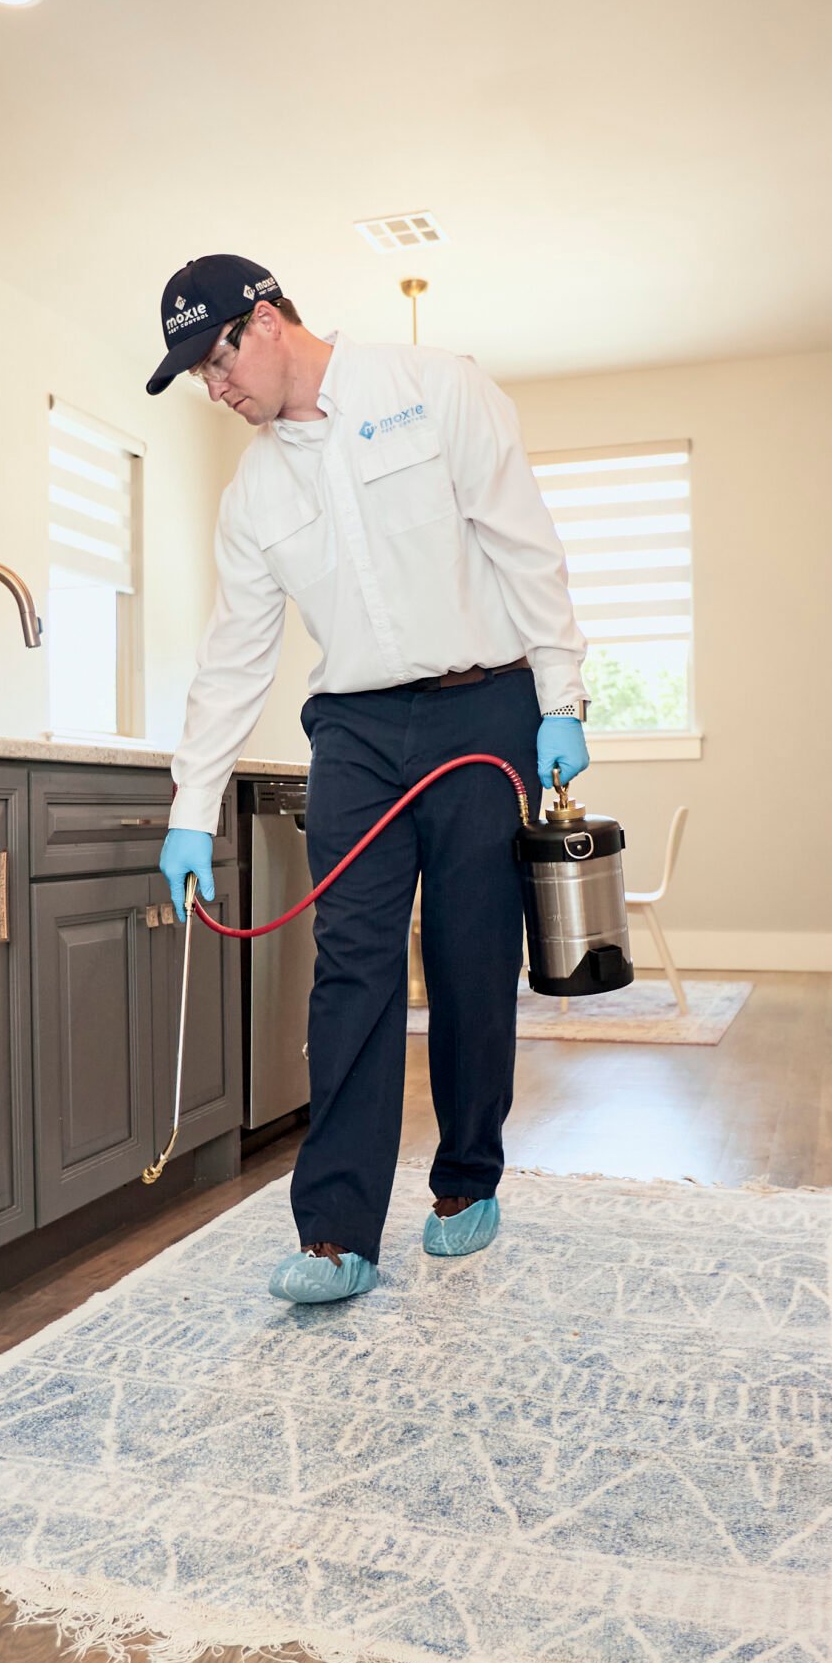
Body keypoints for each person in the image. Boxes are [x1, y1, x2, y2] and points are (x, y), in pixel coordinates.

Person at [145, 255, 590, 1304]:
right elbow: (233, 656)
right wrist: (190, 808)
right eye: (199, 376)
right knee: (350, 964)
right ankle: (335, 1233)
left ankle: (466, 1177)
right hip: (353, 732)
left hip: (483, 702)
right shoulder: (253, 495)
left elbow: (525, 545)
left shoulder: (435, 388)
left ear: (266, 320)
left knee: (472, 951)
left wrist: (561, 697)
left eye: (217, 361)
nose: (216, 388)